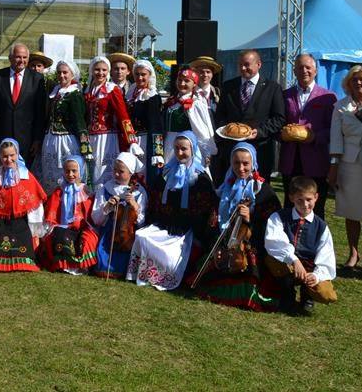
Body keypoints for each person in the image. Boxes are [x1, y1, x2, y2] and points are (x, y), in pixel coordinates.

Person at [195, 143, 282, 311]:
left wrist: (251, 218)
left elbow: (273, 226)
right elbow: (213, 219)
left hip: (250, 242)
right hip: (225, 239)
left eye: (245, 164)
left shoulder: (263, 191)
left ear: (254, 163)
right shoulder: (224, 188)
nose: (241, 168)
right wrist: (216, 243)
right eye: (236, 163)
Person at [127, 133, 216, 290]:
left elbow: (204, 211)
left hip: (186, 230)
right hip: (164, 225)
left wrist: (192, 231)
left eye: (184, 149)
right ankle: (144, 273)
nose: (180, 153)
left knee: (171, 256)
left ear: (193, 149)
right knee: (141, 236)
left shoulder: (200, 178)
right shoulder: (166, 173)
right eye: (176, 148)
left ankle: (164, 277)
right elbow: (155, 201)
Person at [328, 65, 362, 274]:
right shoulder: (340, 106)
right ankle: (353, 253)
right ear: (348, 83)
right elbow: (336, 137)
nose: (359, 83)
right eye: (354, 80)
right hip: (347, 164)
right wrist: (333, 167)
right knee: (350, 211)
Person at [264, 176, 338, 314]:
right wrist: (294, 260)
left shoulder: (321, 227)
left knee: (327, 294)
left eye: (309, 200)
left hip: (310, 267)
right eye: (300, 200)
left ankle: (307, 295)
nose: (305, 204)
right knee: (274, 260)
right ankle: (287, 293)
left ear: (316, 197)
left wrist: (315, 276)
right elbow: (274, 242)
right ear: (291, 198)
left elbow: (326, 256)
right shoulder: (279, 217)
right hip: (288, 265)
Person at [215, 48, 285, 186]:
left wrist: (258, 132)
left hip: (260, 150)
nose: (242, 68)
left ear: (258, 64)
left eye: (247, 64)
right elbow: (220, 116)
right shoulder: (228, 86)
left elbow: (279, 119)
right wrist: (225, 130)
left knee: (258, 195)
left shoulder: (272, 88)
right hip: (232, 151)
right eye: (240, 64)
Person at [278, 53, 337, 219]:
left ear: (316, 71)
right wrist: (283, 134)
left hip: (316, 160)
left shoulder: (328, 97)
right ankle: (290, 241)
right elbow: (278, 124)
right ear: (294, 71)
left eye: (308, 67)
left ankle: (315, 241)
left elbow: (334, 129)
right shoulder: (285, 95)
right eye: (300, 67)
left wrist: (315, 137)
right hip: (291, 159)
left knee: (316, 208)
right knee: (291, 206)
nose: (304, 70)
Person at [0, 138, 47, 272]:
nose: (8, 159)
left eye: (12, 155)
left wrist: (35, 231)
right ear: (0, 156)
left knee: (23, 241)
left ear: (17, 155)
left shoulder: (27, 177)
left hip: (21, 223)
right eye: (5, 156)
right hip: (1, 223)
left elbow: (35, 206)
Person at [91, 152, 147, 279]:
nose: (116, 174)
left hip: (128, 233)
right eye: (114, 170)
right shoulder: (105, 188)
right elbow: (96, 219)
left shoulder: (139, 192)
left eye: (121, 171)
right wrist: (107, 207)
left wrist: (134, 205)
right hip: (109, 232)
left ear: (130, 173)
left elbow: (141, 221)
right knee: (103, 261)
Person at [0, 43, 47, 165]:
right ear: (10, 58)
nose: (22, 60)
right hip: (2, 136)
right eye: (18, 57)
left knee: (24, 176)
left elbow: (40, 111)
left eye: (25, 57)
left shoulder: (37, 79)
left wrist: (37, 139)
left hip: (27, 140)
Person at [85, 56, 140, 184]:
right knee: (90, 172)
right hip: (91, 138)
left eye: (104, 70)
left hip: (107, 138)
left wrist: (131, 140)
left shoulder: (112, 89)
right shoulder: (88, 90)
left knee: (103, 172)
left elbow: (123, 116)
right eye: (97, 69)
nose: (100, 73)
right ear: (92, 71)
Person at [40, 156, 98, 274]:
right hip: (63, 226)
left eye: (74, 171)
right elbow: (52, 210)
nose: (70, 174)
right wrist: (51, 226)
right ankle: (63, 265)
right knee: (59, 236)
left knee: (87, 240)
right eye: (67, 171)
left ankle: (80, 265)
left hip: (81, 227)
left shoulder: (85, 191)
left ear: (81, 171)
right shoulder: (59, 191)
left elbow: (89, 213)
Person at [40, 59, 89, 192]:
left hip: (67, 141)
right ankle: (52, 202)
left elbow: (79, 120)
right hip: (50, 139)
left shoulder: (74, 94)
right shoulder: (55, 91)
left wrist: (85, 144)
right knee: (50, 173)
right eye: (59, 73)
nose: (61, 76)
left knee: (66, 170)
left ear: (72, 74)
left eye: (65, 72)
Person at [159, 67, 216, 171]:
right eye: (180, 80)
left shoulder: (196, 103)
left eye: (186, 81)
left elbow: (202, 131)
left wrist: (206, 152)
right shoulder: (172, 102)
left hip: (188, 146)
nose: (182, 83)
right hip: (170, 146)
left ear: (194, 84)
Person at [127, 59, 163, 166]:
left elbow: (156, 124)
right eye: (137, 74)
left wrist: (158, 152)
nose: (140, 78)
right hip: (132, 140)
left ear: (149, 76)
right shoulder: (130, 94)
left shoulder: (152, 96)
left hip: (146, 140)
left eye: (143, 74)